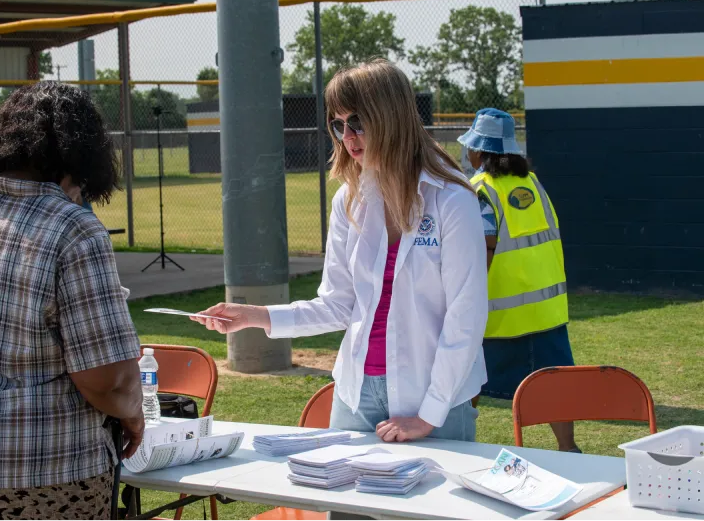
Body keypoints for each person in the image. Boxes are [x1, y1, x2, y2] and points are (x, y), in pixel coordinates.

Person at [194, 59, 488, 446]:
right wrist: (255, 316)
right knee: (344, 507)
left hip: (437, 400)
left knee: (425, 508)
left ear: (392, 117)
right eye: (338, 124)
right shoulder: (349, 200)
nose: (348, 137)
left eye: (358, 122)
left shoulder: (452, 199)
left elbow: (465, 317)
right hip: (357, 395)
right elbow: (337, 305)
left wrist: (429, 414)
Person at [0, 82, 145, 520]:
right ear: (78, 157)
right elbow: (106, 379)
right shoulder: (73, 229)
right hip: (43, 470)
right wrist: (132, 412)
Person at [459, 108, 580, 452]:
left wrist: (463, 302)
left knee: (466, 381)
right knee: (554, 385)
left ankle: (458, 444)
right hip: (547, 315)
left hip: (499, 319)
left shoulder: (481, 190)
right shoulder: (532, 184)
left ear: (480, 151)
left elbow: (482, 250)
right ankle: (569, 448)